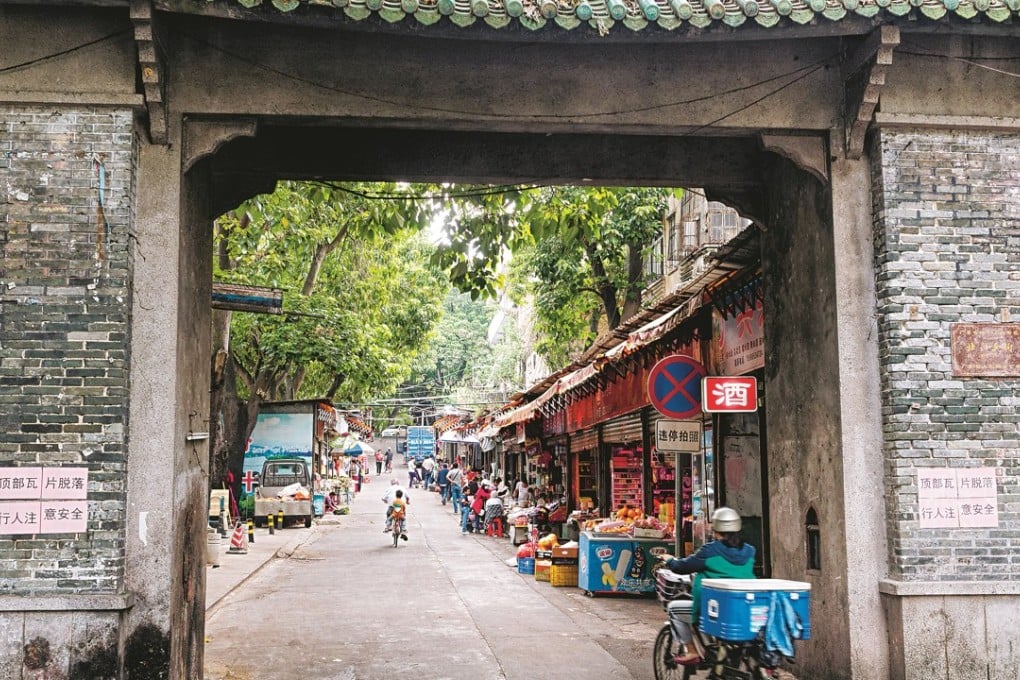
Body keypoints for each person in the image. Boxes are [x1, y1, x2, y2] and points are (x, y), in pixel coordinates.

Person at [658, 507, 755, 665]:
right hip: (744, 606)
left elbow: (681, 567)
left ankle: (692, 651)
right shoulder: (750, 551)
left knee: (674, 608)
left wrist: (669, 560)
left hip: (716, 607)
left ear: (716, 529)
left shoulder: (710, 551)